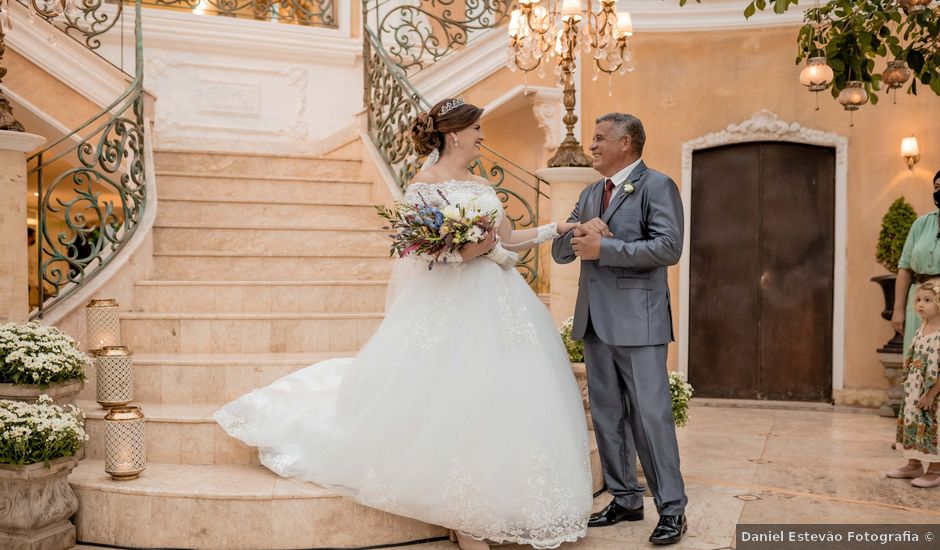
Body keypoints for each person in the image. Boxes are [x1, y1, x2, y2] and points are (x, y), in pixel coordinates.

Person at [214, 98, 592, 550]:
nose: (481, 138)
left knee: (500, 394)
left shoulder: (480, 184)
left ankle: (494, 500)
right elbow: (421, 253)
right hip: (450, 301)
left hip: (499, 298)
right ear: (454, 134)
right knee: (451, 395)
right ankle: (462, 512)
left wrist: (557, 229)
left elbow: (508, 238)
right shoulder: (423, 186)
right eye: (476, 130)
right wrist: (463, 251)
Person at [551, 113, 688, 546]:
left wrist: (604, 247)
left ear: (625, 143)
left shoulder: (657, 185)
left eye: (598, 139)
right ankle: (626, 498)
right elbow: (559, 251)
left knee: (651, 418)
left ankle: (672, 509)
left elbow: (669, 247)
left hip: (640, 323)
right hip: (595, 321)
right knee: (607, 416)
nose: (591, 146)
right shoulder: (591, 192)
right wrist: (578, 230)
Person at [886, 280, 940, 487]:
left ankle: (935, 470)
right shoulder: (922, 329)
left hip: (932, 394)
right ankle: (914, 464)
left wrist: (931, 394)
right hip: (914, 390)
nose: (920, 304)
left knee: (932, 427)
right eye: (918, 300)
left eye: (927, 300)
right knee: (913, 423)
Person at [892, 170, 940, 356]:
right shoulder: (920, 224)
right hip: (919, 302)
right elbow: (904, 268)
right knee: (918, 367)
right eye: (936, 187)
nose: (938, 191)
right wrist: (898, 310)